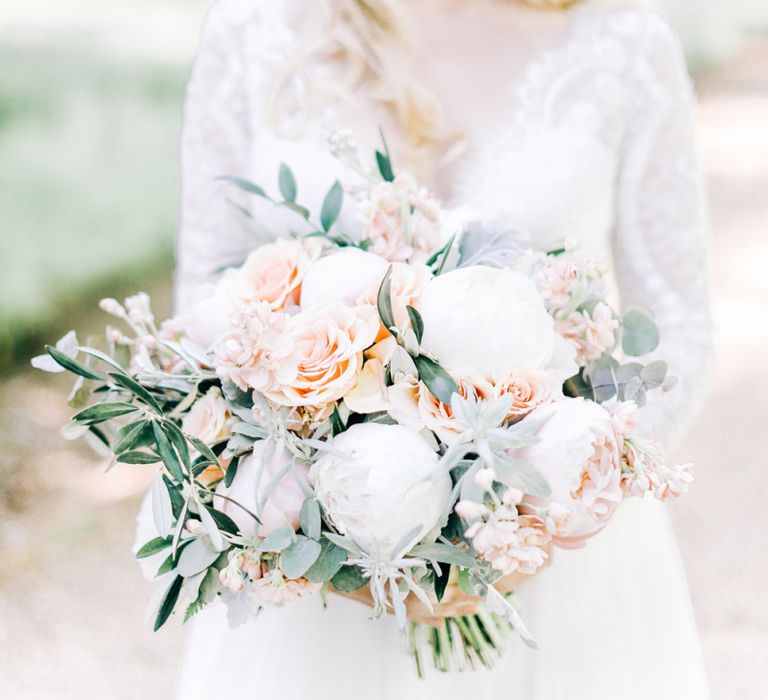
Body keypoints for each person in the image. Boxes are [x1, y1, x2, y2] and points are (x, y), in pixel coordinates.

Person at [170, 0, 713, 697]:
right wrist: (331, 539)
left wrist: (542, 515)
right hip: (313, 582)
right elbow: (205, 304)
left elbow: (679, 323)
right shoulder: (253, 29)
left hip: (560, 573)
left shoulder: (624, 42)